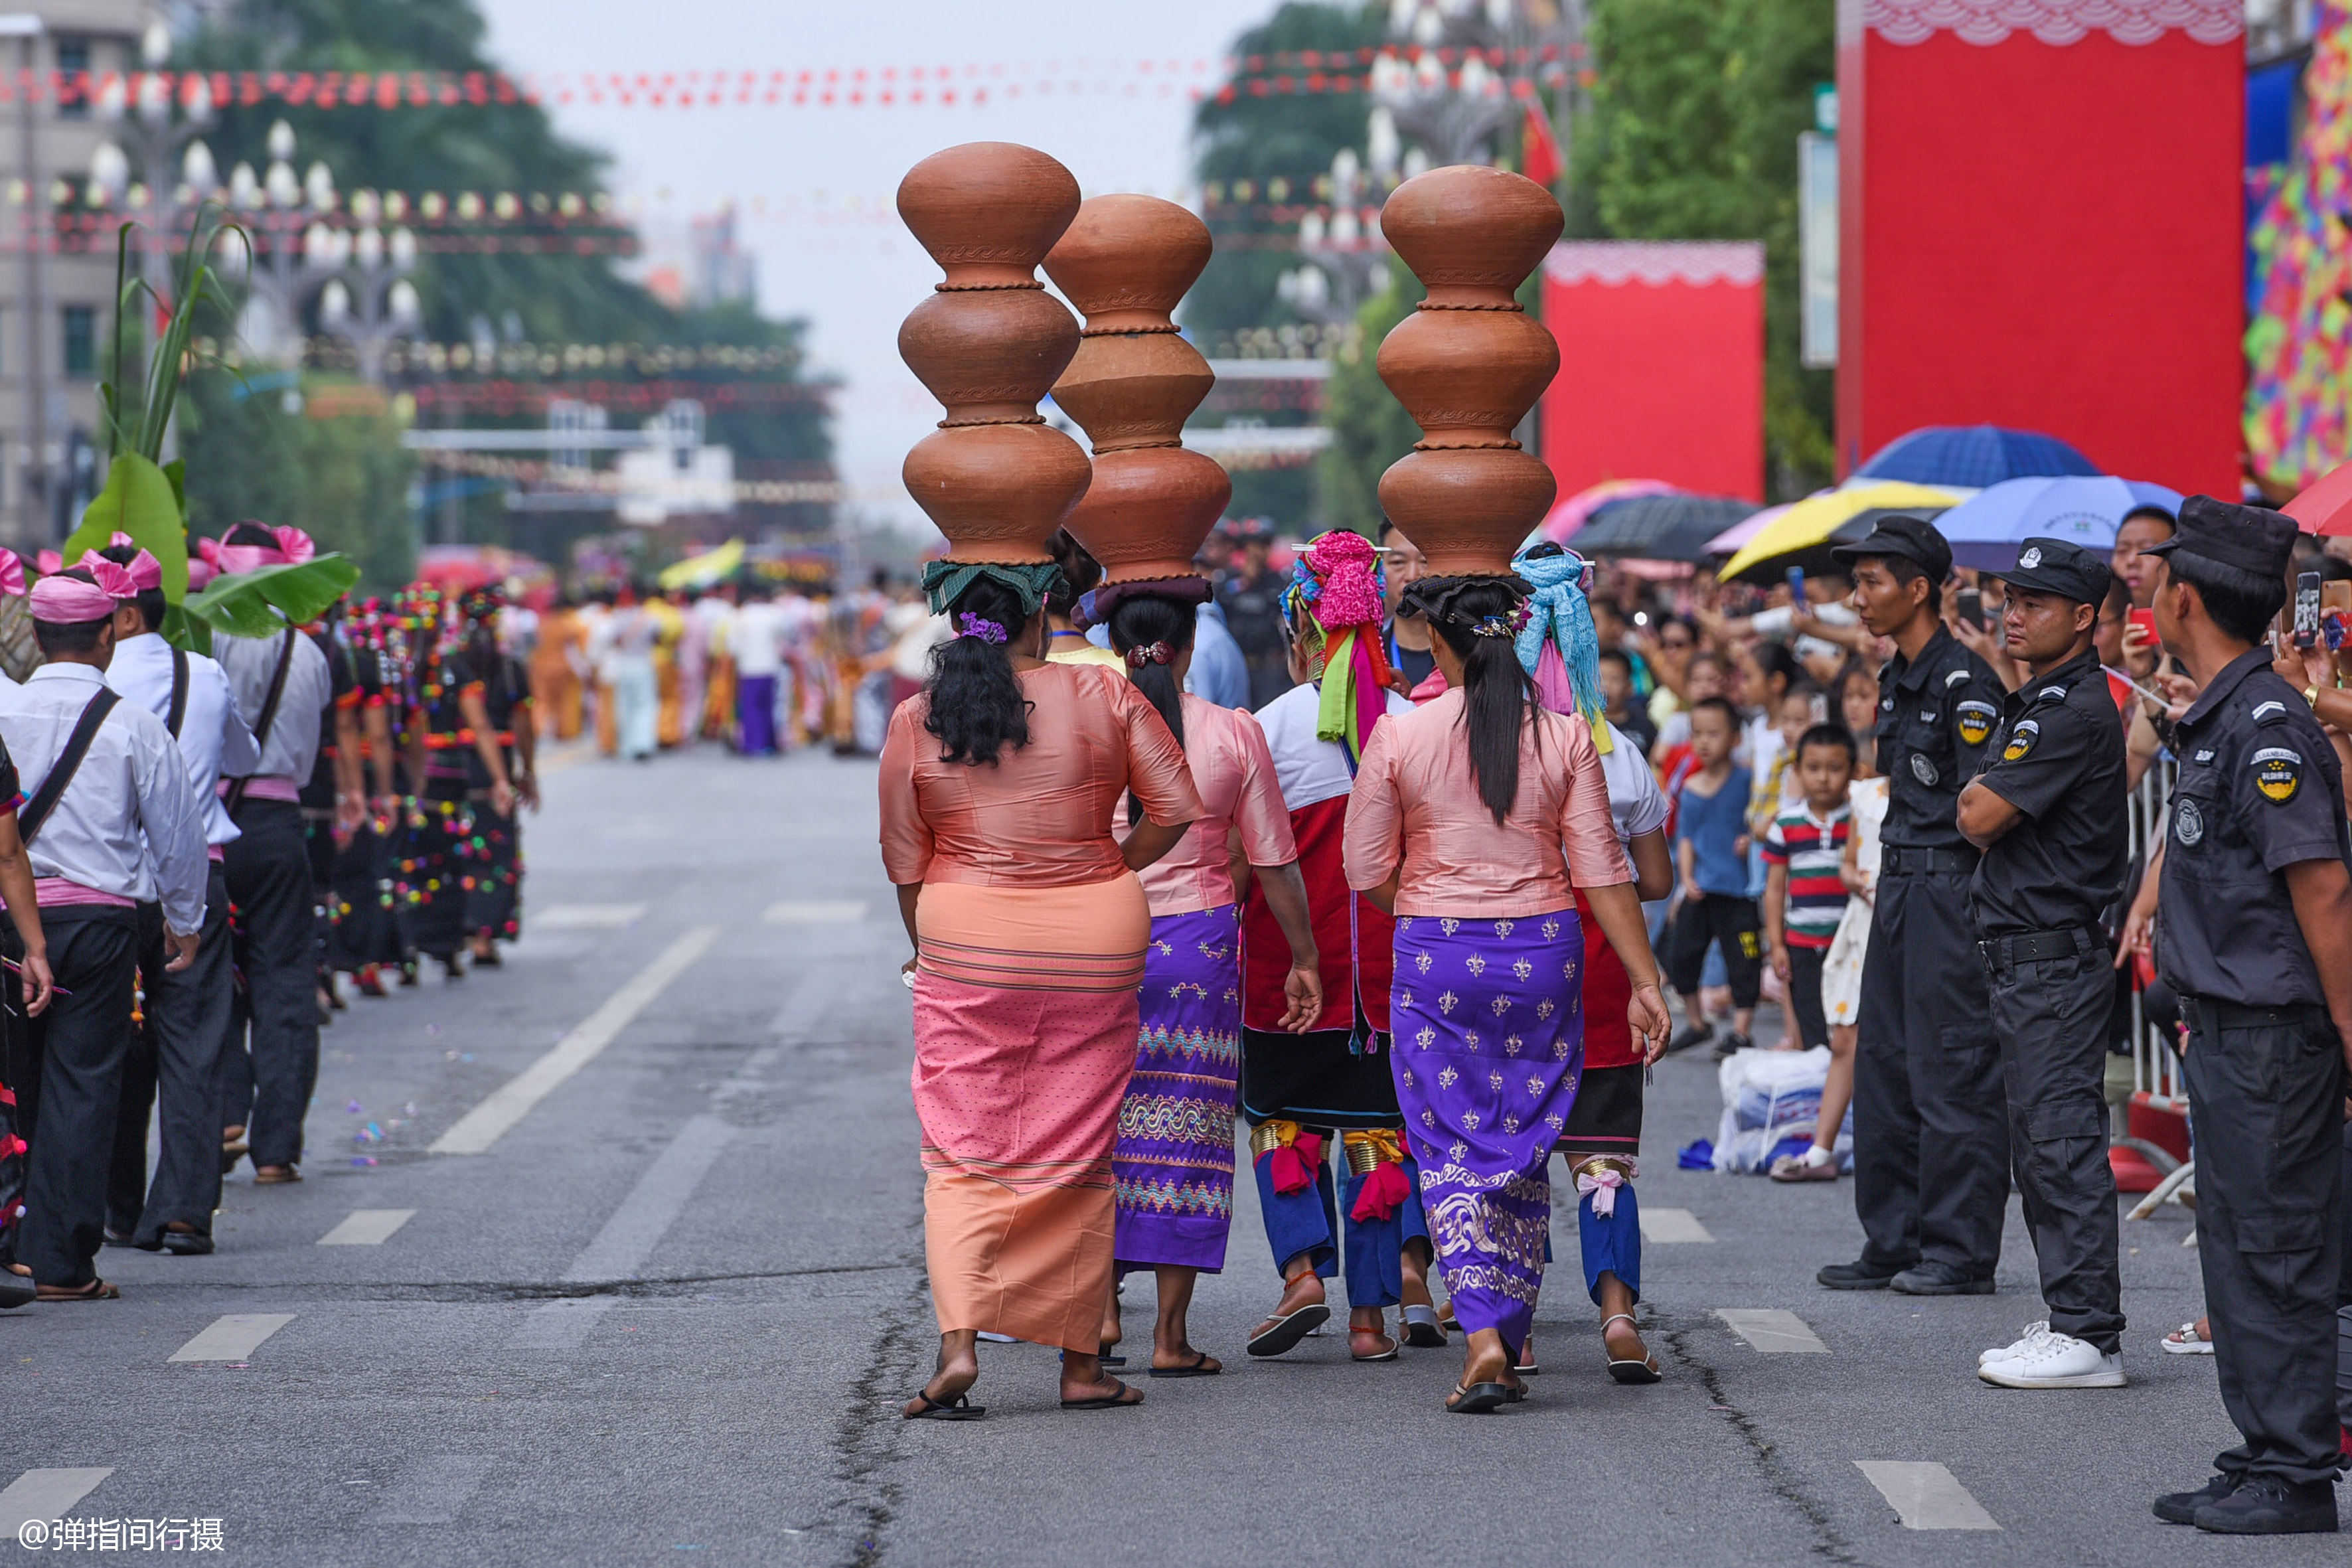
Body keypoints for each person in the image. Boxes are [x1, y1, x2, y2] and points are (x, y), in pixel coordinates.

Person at [880, 560, 1202, 1420]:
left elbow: (903, 859)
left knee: (958, 1149)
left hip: (968, 938)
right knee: (1080, 1146)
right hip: (1093, 936)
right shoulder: (1106, 697)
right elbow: (1173, 808)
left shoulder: (918, 716)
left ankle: (958, 1348)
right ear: (1037, 622)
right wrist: (1106, 868)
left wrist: (929, 949)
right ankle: (1079, 1365)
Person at [1346, 572, 1670, 1411]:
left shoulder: (1401, 734)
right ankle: (1507, 1325)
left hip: (1436, 953)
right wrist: (1645, 980)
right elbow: (1603, 871)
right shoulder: (1567, 737)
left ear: (1440, 645)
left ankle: (1486, 1336)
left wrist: (1427, 910)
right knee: (1522, 1138)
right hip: (1545, 951)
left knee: (1451, 1144)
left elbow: (1364, 870)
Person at [2139, 498, 2352, 1534]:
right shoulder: (2223, 713)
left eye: (2157, 574)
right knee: (2234, 1247)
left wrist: (2350, 1032)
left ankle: (2296, 1471)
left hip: (2273, 1037)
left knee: (2273, 1250)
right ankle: (2263, 1450)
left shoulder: (2267, 724)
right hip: (2228, 1033)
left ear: (2184, 595)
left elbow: (2320, 889)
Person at [1096, 586, 1321, 1375]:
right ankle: (1169, 1336)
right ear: (1192, 646)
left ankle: (1098, 1316)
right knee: (1188, 1130)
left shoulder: (1087, 723)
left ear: (1113, 643)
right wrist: (1304, 957)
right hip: (1199, 950)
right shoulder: (1234, 732)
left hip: (1097, 942)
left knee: (1098, 1124)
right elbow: (1273, 859)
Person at [1235, 532, 1433, 1362]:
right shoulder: (1419, 723)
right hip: (1394, 973)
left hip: (1290, 967)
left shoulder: (1267, 729)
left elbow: (1248, 862)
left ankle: (1303, 1275)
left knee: (1281, 1121)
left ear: (1300, 636)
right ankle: (1369, 1321)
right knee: (1379, 1134)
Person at [1818, 516, 2011, 1297]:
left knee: (1951, 1064)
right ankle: (1892, 1239)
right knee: (1886, 1059)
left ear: (1920, 588)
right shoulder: (1898, 677)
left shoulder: (1965, 683)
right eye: (1856, 582)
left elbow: (1989, 804)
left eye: (1871, 582)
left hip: (1949, 883)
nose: (1857, 597)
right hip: (1898, 880)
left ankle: (1960, 1250)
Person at [1953, 538, 2130, 1390]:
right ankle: (2073, 1316)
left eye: (2034, 603)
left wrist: (1984, 786)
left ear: (2085, 615)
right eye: (2009, 599)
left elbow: (1979, 814)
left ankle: (2090, 1333)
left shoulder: (2068, 709)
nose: (2012, 614)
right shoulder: (2046, 699)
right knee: (2042, 1141)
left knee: (2060, 1142)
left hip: (2053, 959)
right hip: (2029, 958)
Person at [0, 563, 200, 1300]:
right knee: (84, 1087)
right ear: (108, 634)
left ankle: (11, 1245)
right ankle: (62, 1263)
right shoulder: (135, 724)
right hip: (102, 924)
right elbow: (177, 834)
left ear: (38, 635)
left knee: (15, 1088)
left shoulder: (5, 714)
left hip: (9, 923)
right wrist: (185, 923)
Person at [1513, 542, 1676, 1384]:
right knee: (1602, 1156)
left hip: (1508, 967)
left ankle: (1518, 1327)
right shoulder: (1618, 754)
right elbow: (1654, 880)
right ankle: (1617, 1314)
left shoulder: (1485, 744)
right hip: (1606, 971)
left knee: (1513, 1153)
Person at [96, 544, 255, 1253]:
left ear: (124, 614)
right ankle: (188, 1210)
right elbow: (244, 759)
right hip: (199, 879)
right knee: (195, 1045)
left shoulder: (86, 680)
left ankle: (120, 1208)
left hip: (113, 889)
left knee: (113, 1048)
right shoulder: (206, 673)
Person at [206, 525, 337, 1188]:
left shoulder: (206, 640)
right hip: (281, 824)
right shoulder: (308, 652)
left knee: (209, 971)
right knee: (286, 982)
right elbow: (312, 755)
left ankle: (229, 1108)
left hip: (214, 827)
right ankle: (278, 1149)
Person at [394, 588, 515, 980]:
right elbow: (479, 725)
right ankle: (446, 948)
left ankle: (407, 950)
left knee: (407, 867)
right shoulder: (455, 666)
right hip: (450, 779)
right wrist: (500, 778)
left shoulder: (391, 669)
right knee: (448, 864)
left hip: (404, 783)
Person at [1665, 697, 1759, 1057]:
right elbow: (1686, 838)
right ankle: (1698, 1023)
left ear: (1735, 738)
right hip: (1700, 889)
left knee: (1743, 959)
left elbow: (1759, 819)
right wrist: (1686, 879)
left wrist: (1751, 838)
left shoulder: (1748, 779)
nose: (1704, 742)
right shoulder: (1690, 788)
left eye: (1714, 733)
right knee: (1681, 955)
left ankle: (1741, 1030)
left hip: (1738, 891)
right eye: (1697, 734)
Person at [1764, 724, 1855, 1058]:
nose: (1823, 778)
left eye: (1834, 769)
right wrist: (1776, 944)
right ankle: (1818, 1095)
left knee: (1846, 1020)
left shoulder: (1859, 821)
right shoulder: (1785, 825)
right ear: (1798, 771)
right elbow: (1774, 888)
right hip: (1801, 943)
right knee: (1811, 1024)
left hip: (1848, 943)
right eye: (1813, 768)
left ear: (1852, 772)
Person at [462, 589, 535, 965]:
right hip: (497, 769)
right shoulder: (509, 668)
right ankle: (485, 935)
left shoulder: (448, 666)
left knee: (460, 852)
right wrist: (528, 772)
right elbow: (524, 724)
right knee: (496, 854)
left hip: (454, 770)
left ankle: (462, 931)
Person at [1217, 522, 1291, 709]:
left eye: (1263, 545)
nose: (1258, 551)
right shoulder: (1228, 581)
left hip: (1268, 666)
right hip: (1237, 663)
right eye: (1253, 545)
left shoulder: (1279, 583)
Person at [731, 586, 789, 756]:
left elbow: (733, 645)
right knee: (768, 708)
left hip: (749, 668)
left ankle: (753, 744)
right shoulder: (774, 614)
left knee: (751, 709)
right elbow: (783, 637)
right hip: (769, 667)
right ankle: (768, 743)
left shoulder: (742, 615)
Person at [1379, 520, 1435, 690]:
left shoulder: (1469, 656)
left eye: (1426, 561)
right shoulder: (1365, 657)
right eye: (1398, 562)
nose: (1412, 576)